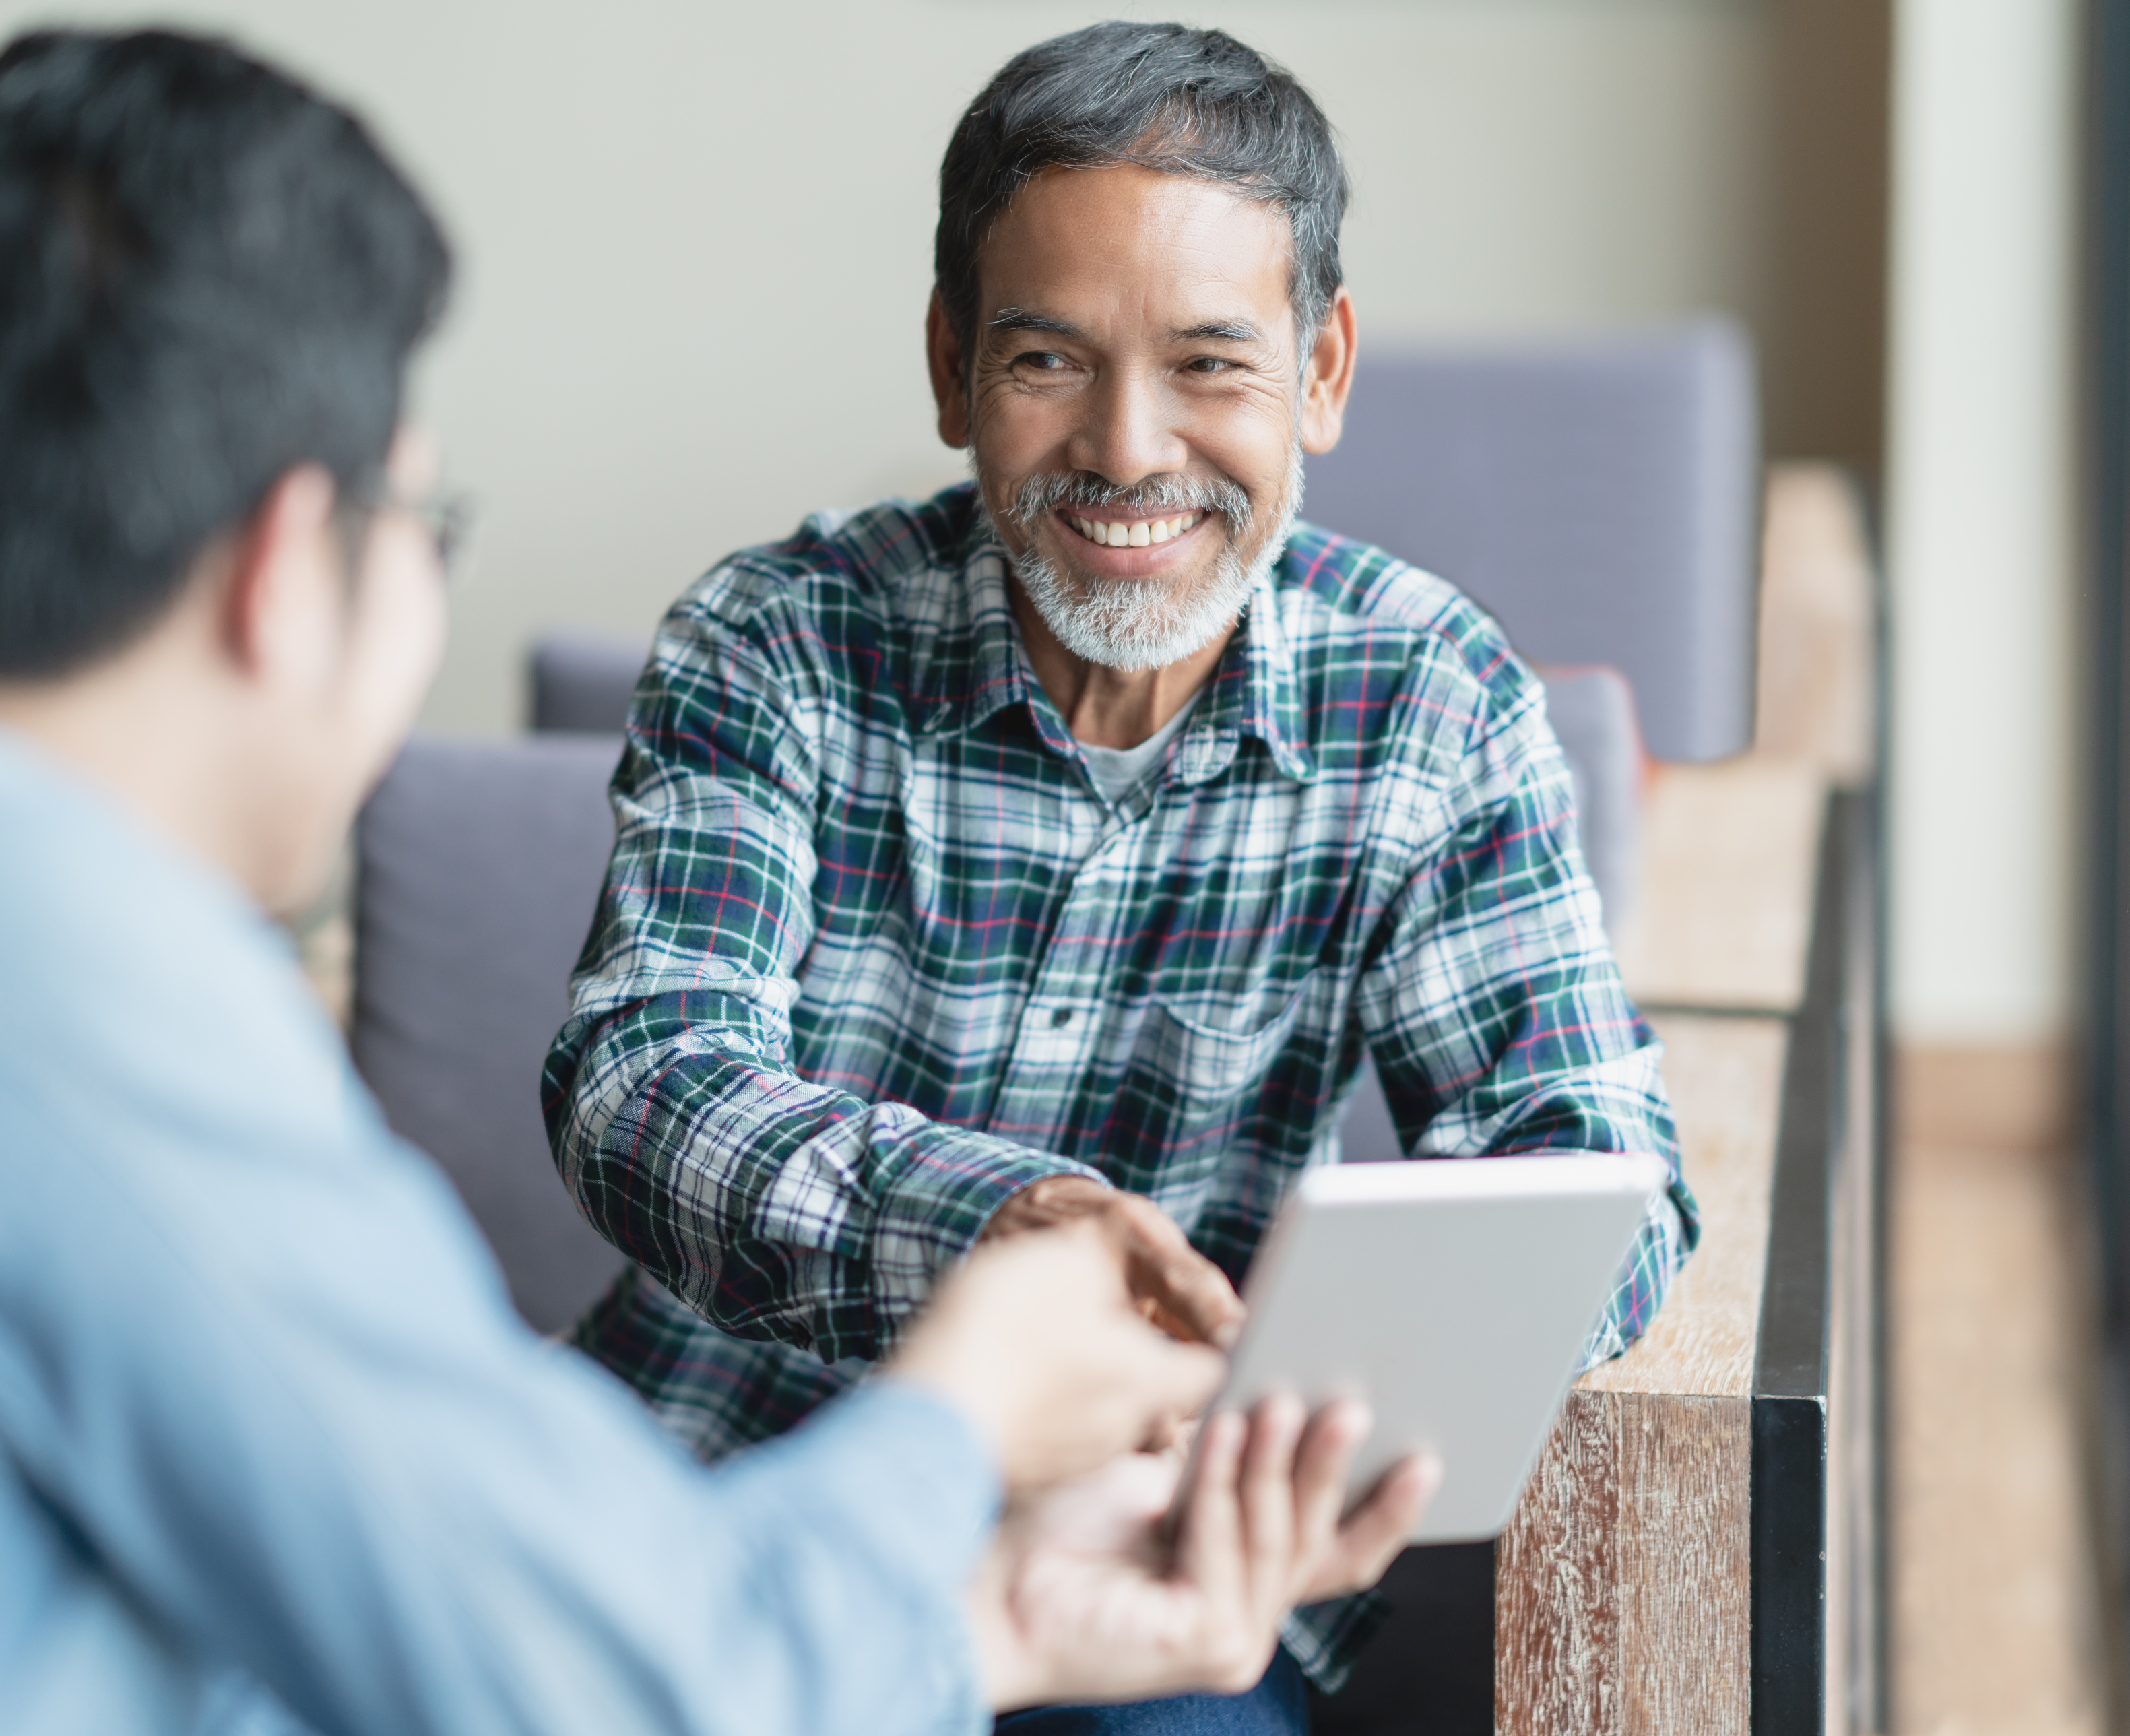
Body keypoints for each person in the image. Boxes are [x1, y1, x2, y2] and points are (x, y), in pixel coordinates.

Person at [0, 30, 1439, 1736]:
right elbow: (639, 1683)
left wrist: (991, 1604)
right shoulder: (28, 971)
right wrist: (965, 1408)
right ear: (298, 560)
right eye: (418, 522)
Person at [543, 20, 1702, 1727]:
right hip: (738, 1491)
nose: (1130, 449)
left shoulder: (1431, 697)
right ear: (950, 369)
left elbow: (1599, 1169)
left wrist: (1307, 1386)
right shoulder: (774, 642)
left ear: (1323, 369)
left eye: (1212, 365)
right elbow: (642, 1080)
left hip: (1174, 1546)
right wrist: (1002, 1231)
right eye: (1046, 363)